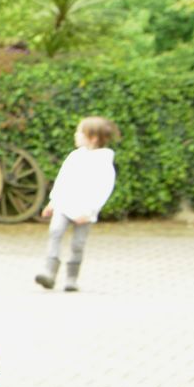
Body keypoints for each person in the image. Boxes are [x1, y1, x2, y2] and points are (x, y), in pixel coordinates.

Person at [36, 115, 119, 292]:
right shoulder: (74, 157)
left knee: (78, 244)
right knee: (55, 232)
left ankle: (71, 279)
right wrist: (53, 202)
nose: (76, 135)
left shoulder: (104, 163)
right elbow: (62, 180)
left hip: (84, 211)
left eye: (80, 132)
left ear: (93, 138)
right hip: (64, 205)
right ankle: (49, 272)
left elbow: (103, 190)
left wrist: (90, 211)